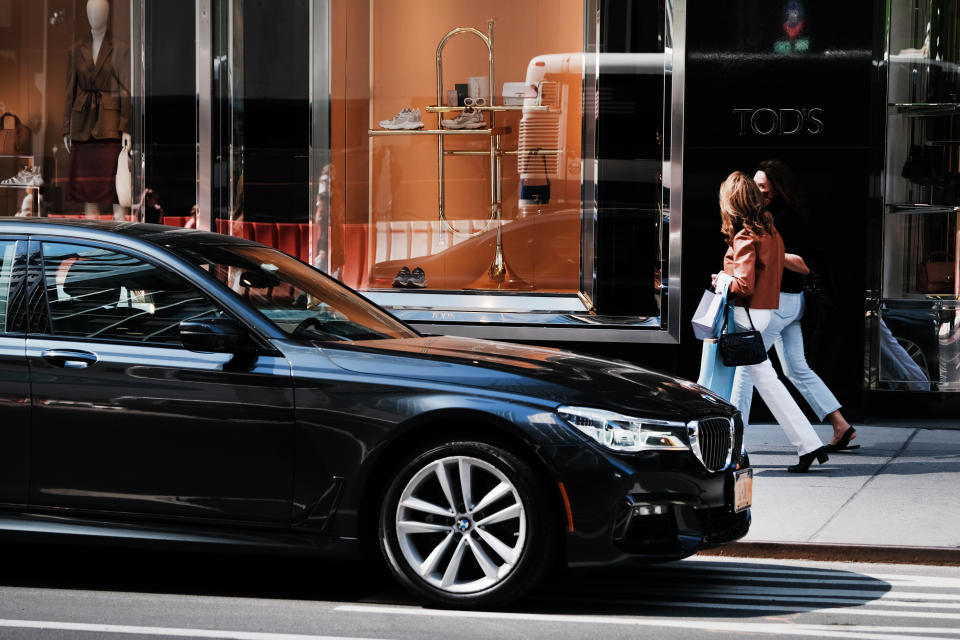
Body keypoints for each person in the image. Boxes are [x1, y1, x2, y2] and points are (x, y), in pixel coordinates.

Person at [736, 160, 856, 453]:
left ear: (775, 191)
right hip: (788, 303)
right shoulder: (765, 216)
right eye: (754, 185)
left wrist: (766, 251)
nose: (755, 191)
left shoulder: (782, 219)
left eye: (761, 187)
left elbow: (801, 264)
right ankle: (841, 426)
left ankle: (733, 439)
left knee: (744, 365)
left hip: (779, 303)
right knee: (796, 368)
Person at [713, 171, 828, 472]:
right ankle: (809, 445)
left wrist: (723, 280)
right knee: (767, 382)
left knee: (734, 383)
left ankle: (731, 450)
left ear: (732, 202)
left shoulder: (745, 235)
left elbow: (745, 285)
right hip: (763, 313)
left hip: (746, 316)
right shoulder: (771, 232)